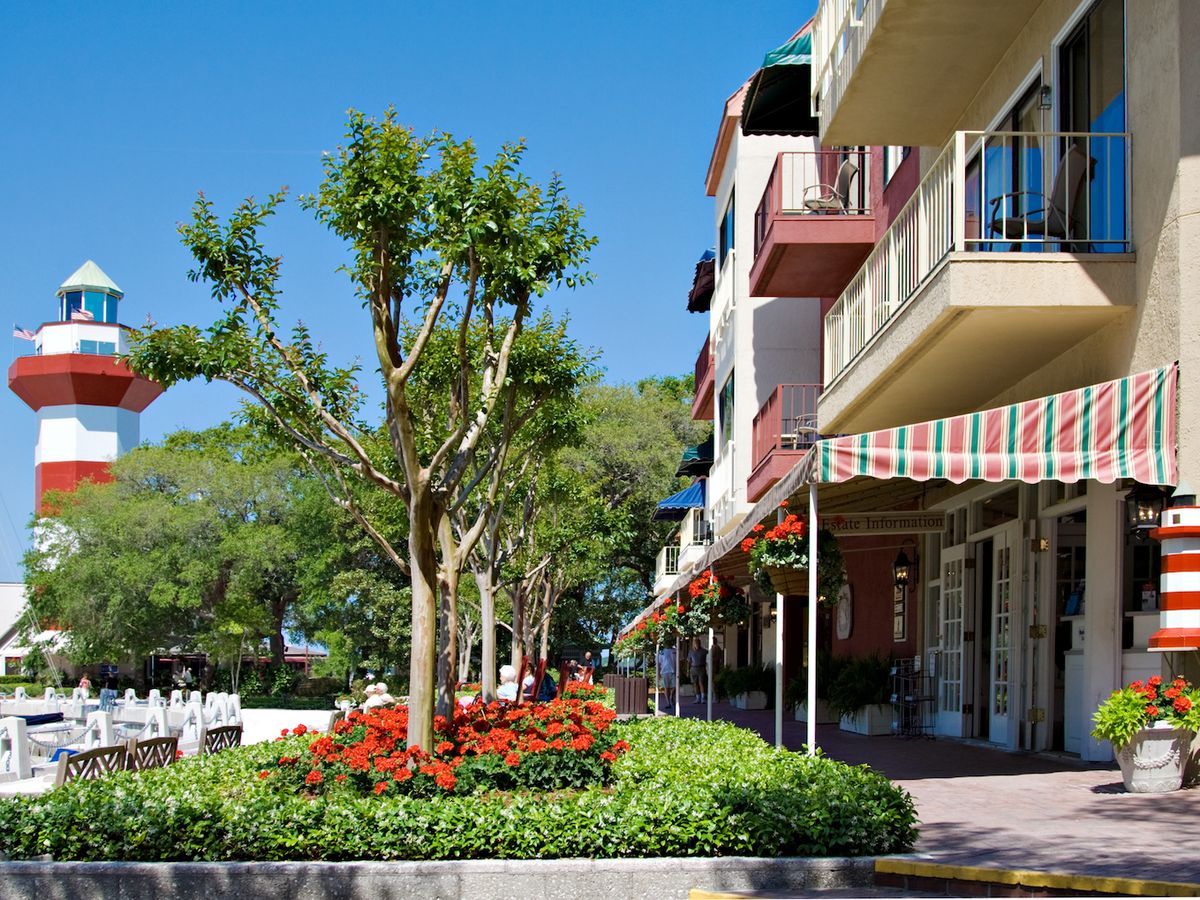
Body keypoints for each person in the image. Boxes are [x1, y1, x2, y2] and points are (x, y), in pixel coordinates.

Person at [687, 638, 708, 704]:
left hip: (701, 668)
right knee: (695, 683)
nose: (697, 644)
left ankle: (703, 697)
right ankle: (697, 697)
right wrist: (688, 670)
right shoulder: (691, 651)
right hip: (693, 668)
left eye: (698, 643)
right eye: (695, 643)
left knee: (701, 682)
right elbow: (689, 661)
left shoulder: (704, 651)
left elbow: (708, 660)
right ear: (693, 644)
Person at [656, 644, 677, 710]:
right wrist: (658, 673)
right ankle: (668, 703)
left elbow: (680, 661)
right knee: (666, 687)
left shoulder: (675, 650)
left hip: (674, 671)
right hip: (664, 671)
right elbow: (658, 663)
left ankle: (671, 696)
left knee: (675, 686)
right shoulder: (661, 652)